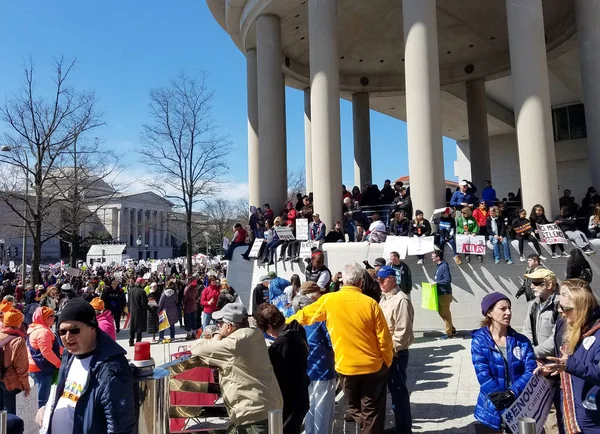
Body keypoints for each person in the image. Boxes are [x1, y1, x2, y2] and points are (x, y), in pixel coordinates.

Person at [288, 262, 393, 434]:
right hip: (372, 367)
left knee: (354, 408)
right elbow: (384, 340)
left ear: (343, 281)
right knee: (372, 411)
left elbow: (304, 316)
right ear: (360, 282)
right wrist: (387, 362)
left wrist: (278, 325)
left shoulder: (329, 300)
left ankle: (367, 426)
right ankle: (369, 427)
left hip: (346, 368)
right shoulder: (371, 304)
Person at [175, 303, 283, 433]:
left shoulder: (234, 343)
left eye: (220, 322)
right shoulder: (255, 334)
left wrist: (216, 335)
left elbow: (198, 348)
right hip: (265, 407)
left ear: (229, 326)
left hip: (252, 415)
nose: (218, 325)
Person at [39, 299, 135, 434]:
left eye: (74, 330)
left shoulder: (111, 368)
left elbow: (120, 426)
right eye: (62, 331)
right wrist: (47, 409)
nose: (67, 336)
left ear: (92, 328)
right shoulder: (69, 355)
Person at [539, 281, 600, 433]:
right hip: (571, 413)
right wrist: (554, 367)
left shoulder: (597, 332)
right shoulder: (570, 325)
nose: (560, 312)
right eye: (559, 306)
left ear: (581, 307)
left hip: (592, 422)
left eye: (565, 308)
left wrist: (569, 365)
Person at [471, 292, 537, 433]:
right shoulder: (479, 341)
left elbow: (531, 369)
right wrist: (501, 401)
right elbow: (483, 375)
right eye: (503, 309)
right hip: (491, 409)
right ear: (489, 312)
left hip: (519, 406)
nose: (508, 312)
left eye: (509, 308)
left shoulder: (522, 341)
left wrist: (512, 392)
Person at [255, 304, 309, 434]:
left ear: (269, 327)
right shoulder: (297, 330)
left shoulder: (279, 345)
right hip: (301, 395)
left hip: (289, 402)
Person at [290, 281, 335, 434]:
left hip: (304, 366)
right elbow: (332, 340)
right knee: (323, 406)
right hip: (323, 366)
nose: (321, 295)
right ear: (312, 295)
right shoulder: (319, 316)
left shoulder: (293, 313)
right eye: (318, 292)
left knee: (309, 404)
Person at [376, 266, 414, 434]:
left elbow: (403, 333)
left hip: (396, 354)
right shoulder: (384, 298)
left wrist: (388, 352)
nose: (380, 283)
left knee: (399, 393)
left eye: (383, 279)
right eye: (378, 280)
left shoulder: (401, 300)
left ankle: (404, 429)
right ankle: (399, 426)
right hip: (384, 354)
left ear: (392, 278)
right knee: (391, 393)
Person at [521, 269, 559, 359]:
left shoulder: (560, 306)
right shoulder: (533, 305)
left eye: (536, 283)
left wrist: (533, 353)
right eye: (531, 282)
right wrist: (530, 351)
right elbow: (527, 331)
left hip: (554, 362)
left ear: (549, 285)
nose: (531, 286)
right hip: (536, 359)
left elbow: (557, 338)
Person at [27, 307, 60, 409]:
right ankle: (40, 421)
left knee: (40, 394)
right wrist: (59, 363)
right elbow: (46, 352)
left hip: (35, 366)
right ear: (44, 318)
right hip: (41, 368)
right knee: (43, 399)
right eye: (51, 316)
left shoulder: (36, 328)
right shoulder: (43, 332)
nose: (54, 318)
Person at [431, 250, 456, 339]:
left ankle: (449, 333)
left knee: (445, 314)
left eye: (433, 257)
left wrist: (437, 283)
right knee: (442, 312)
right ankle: (452, 329)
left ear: (438, 257)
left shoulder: (444, 266)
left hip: (444, 293)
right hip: (440, 293)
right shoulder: (440, 266)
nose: (432, 258)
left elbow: (447, 280)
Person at [127, 277, 148, 347]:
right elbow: (144, 303)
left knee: (132, 326)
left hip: (132, 310)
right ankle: (138, 341)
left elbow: (128, 302)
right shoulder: (142, 291)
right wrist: (148, 309)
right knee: (139, 326)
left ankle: (131, 340)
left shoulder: (131, 291)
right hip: (140, 311)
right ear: (141, 283)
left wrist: (129, 309)